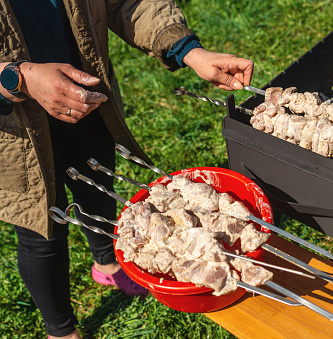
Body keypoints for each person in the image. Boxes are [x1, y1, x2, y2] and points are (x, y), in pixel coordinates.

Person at [0, 0, 254, 338]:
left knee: (97, 182)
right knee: (41, 231)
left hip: (88, 100)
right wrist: (19, 80)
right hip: (13, 134)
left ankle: (106, 262)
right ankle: (60, 329)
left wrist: (189, 51)